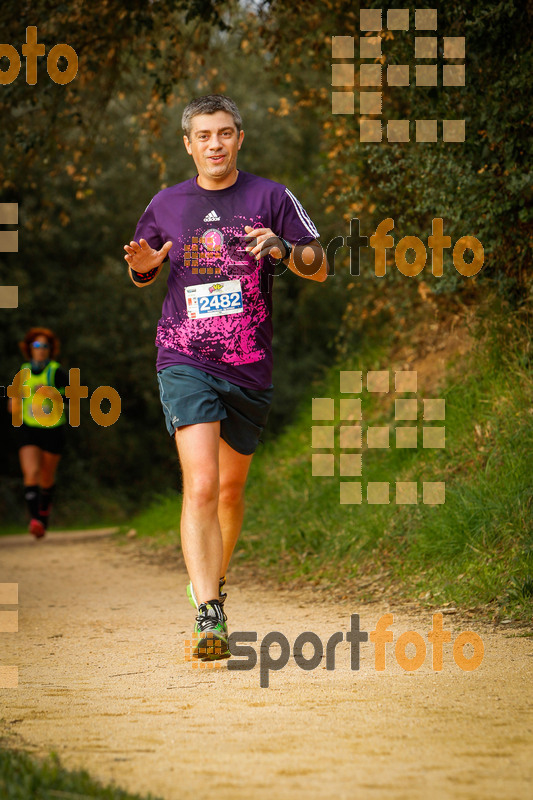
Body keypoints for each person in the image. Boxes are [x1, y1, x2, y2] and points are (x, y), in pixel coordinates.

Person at [124, 94, 327, 660]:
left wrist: (285, 250)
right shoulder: (166, 203)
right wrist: (143, 269)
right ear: (188, 145)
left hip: (249, 365)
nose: (215, 143)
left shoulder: (271, 196)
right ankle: (209, 613)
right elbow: (145, 266)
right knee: (203, 484)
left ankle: (206, 579)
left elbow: (320, 265)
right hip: (184, 359)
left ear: (239, 138)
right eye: (204, 135)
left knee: (232, 492)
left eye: (224, 133)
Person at [9, 327, 68, 538]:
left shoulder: (56, 372)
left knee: (46, 476)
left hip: (52, 430)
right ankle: (35, 521)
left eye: (45, 346)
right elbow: (13, 402)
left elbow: (73, 396)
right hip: (28, 429)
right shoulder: (23, 373)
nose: (41, 350)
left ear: (50, 350)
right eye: (37, 346)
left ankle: (43, 514)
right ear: (30, 349)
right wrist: (14, 403)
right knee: (31, 473)